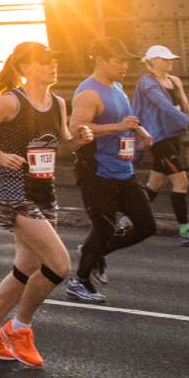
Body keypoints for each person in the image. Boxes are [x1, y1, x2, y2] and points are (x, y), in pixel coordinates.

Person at [0, 41, 75, 365]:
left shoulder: (58, 102)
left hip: (44, 191)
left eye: (53, 60)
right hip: (13, 192)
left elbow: (62, 143)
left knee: (27, 267)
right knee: (59, 265)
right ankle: (20, 326)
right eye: (43, 61)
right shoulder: (11, 102)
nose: (52, 66)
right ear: (24, 68)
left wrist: (80, 138)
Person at [69, 37, 155, 300]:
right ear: (101, 60)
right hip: (97, 172)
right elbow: (76, 130)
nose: (125, 66)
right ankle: (79, 280)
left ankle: (95, 251)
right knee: (105, 227)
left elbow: (122, 120)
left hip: (123, 170)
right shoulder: (88, 93)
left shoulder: (116, 86)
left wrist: (138, 130)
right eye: (119, 61)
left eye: (127, 61)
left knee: (146, 226)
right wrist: (118, 127)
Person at [135, 45, 189, 244]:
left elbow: (185, 107)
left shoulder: (175, 81)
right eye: (164, 58)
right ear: (152, 61)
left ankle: (128, 219)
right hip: (157, 138)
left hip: (174, 135)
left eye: (171, 58)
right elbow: (165, 106)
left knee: (155, 183)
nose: (170, 61)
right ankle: (185, 231)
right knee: (181, 181)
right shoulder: (147, 83)